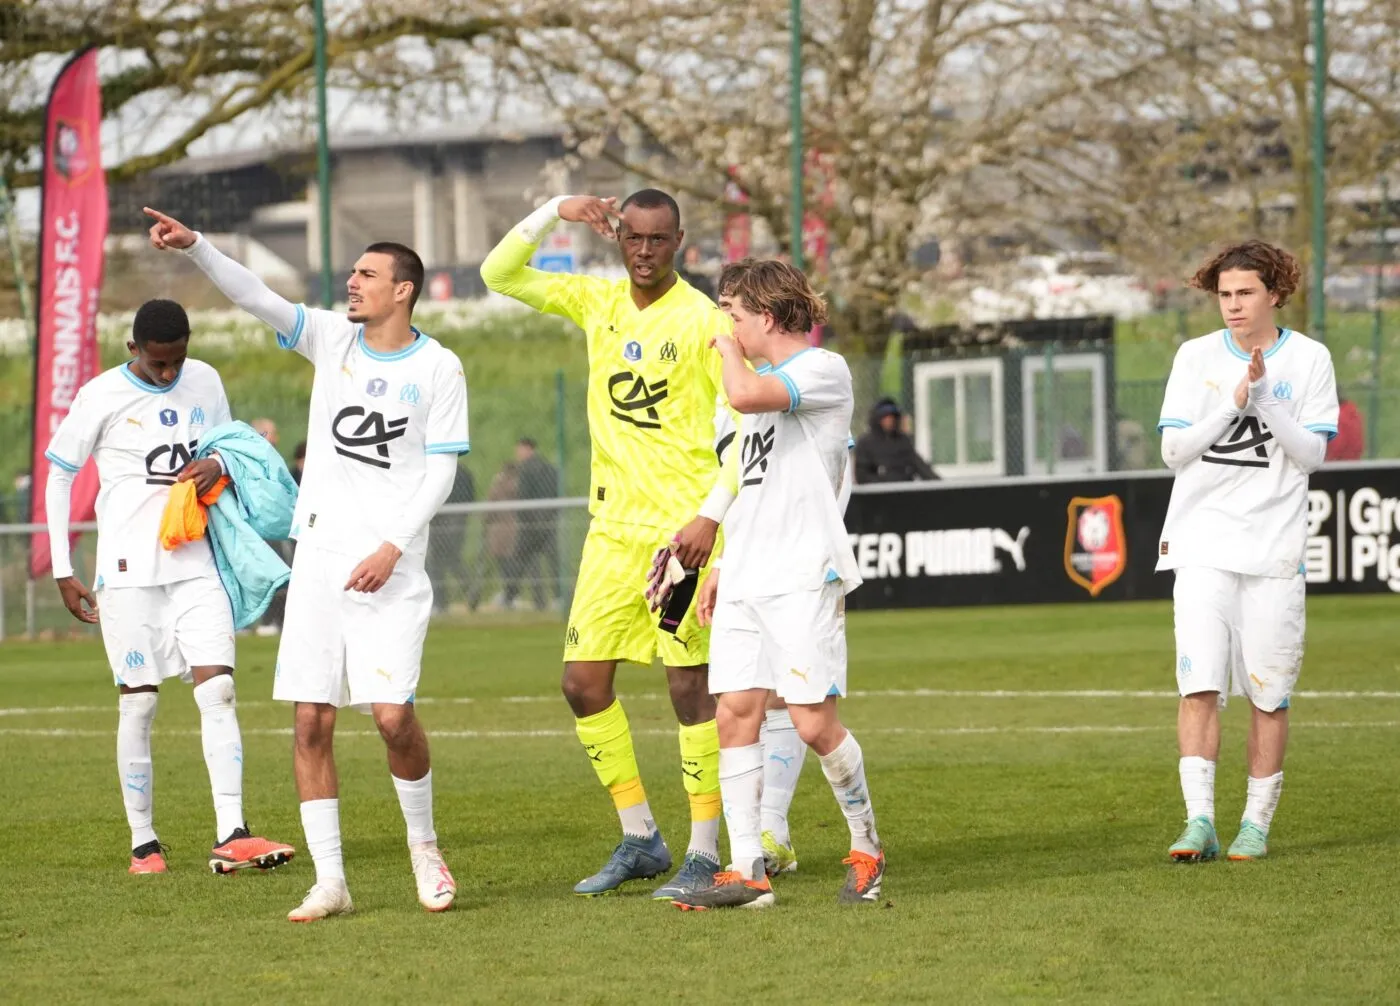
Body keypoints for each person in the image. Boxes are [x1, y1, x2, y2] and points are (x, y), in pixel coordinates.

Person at [145, 206, 469, 920]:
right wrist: (197, 246)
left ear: (404, 290)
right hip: (320, 556)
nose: (352, 283)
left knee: (391, 718)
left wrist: (392, 545)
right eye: (352, 272)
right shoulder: (331, 339)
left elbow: (440, 473)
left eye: (367, 274)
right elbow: (256, 297)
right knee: (309, 723)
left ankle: (424, 846)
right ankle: (331, 881)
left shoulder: (439, 366)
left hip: (391, 565)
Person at [481, 189, 730, 900]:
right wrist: (554, 209)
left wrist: (711, 520)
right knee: (581, 684)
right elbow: (499, 274)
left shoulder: (706, 322)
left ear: (680, 240)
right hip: (611, 536)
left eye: (658, 239)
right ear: (618, 236)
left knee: (689, 687)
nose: (644, 250)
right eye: (633, 237)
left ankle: (706, 853)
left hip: (681, 538)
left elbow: (739, 431)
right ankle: (642, 836)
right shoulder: (597, 302)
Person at [43, 298, 295, 876]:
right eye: (158, 363)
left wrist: (221, 467)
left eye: (177, 360)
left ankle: (232, 832)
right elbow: (60, 473)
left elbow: (226, 446)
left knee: (220, 692)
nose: (169, 373)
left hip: (196, 560)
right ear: (133, 349)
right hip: (129, 573)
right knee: (140, 702)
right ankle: (144, 844)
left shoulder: (204, 380)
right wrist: (63, 566)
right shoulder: (101, 395)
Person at [671, 258, 883, 910]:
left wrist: (730, 352)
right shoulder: (749, 386)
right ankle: (748, 871)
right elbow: (745, 485)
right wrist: (720, 567)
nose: (724, 325)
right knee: (733, 712)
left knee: (814, 722)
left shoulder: (822, 369)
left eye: (733, 312)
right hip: (748, 573)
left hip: (802, 574)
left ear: (766, 316)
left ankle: (866, 849)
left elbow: (745, 395)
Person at [1156, 239, 1338, 863]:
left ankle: (1254, 826)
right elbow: (1174, 452)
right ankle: (1198, 822)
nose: (1232, 306)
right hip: (1201, 541)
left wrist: (1267, 404)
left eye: (1244, 294)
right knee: (1199, 684)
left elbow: (1314, 454)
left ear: (1275, 294)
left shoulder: (1310, 359)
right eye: (1224, 295)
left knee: (1268, 693)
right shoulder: (1194, 356)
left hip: (1274, 549)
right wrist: (1233, 404)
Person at [505, 438, 559, 611]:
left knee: (521, 562)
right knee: (552, 562)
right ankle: (559, 596)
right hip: (548, 522)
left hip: (530, 524)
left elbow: (524, 496)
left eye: (519, 450)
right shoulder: (549, 468)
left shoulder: (526, 469)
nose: (518, 454)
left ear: (527, 449)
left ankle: (511, 597)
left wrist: (525, 519)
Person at [252, 418, 287, 636]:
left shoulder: (276, 461)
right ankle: (253, 622)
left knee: (281, 571)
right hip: (256, 526)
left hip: (276, 526)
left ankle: (274, 619)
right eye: (269, 433)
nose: (274, 438)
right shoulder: (250, 460)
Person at [426, 460, 476, 614]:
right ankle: (469, 592)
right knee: (448, 560)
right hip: (453, 521)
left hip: (443, 521)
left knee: (442, 561)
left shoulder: (438, 470)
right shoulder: (463, 471)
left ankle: (443, 601)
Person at [853, 398, 938, 483]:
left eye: (892, 417)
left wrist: (940, 485)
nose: (890, 421)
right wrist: (884, 485)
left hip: (904, 490)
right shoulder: (865, 443)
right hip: (877, 493)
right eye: (886, 417)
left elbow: (920, 466)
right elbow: (862, 475)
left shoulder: (903, 441)